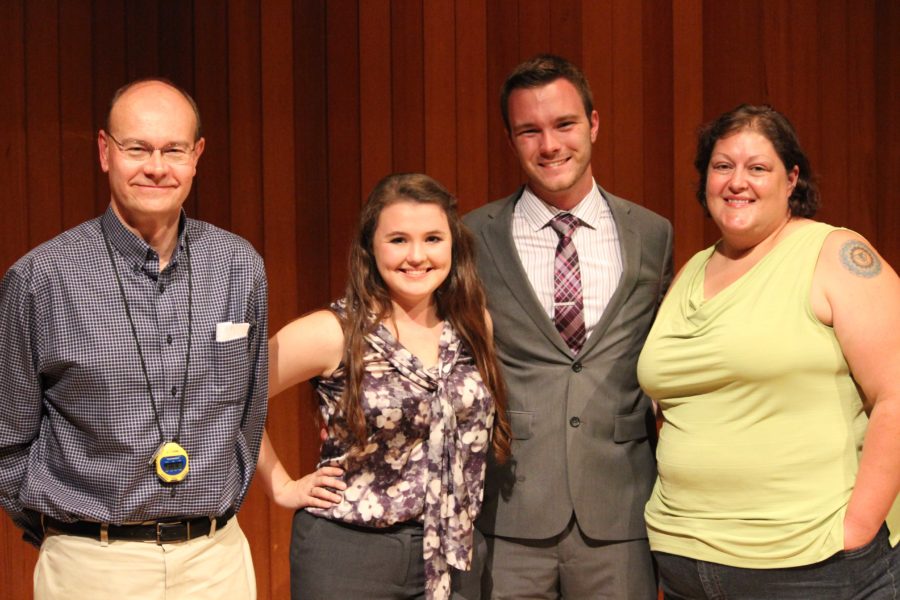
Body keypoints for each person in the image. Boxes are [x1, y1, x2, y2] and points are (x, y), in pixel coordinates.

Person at [0, 78, 268, 599]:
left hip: (215, 561)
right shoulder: (41, 278)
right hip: (91, 565)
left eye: (174, 150)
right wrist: (67, 539)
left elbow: (249, 412)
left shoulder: (240, 268)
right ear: (105, 151)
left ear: (197, 156)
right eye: (137, 149)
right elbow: (7, 437)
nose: (157, 167)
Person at [637, 104, 900, 598]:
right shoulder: (692, 268)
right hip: (685, 564)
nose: (738, 181)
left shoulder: (835, 255)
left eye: (758, 167)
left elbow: (896, 396)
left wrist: (856, 529)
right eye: (722, 166)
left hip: (812, 568)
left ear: (791, 178)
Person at [463, 54, 673, 598]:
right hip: (509, 511)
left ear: (594, 124)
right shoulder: (471, 237)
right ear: (511, 140)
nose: (550, 145)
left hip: (621, 512)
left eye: (564, 125)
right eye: (529, 131)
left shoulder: (652, 234)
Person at [255, 173, 511, 600]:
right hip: (350, 555)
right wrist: (281, 486)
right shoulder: (334, 331)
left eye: (432, 238)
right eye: (397, 240)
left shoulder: (472, 325)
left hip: (453, 552)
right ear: (371, 248)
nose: (417, 256)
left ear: (454, 245)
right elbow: (229, 396)